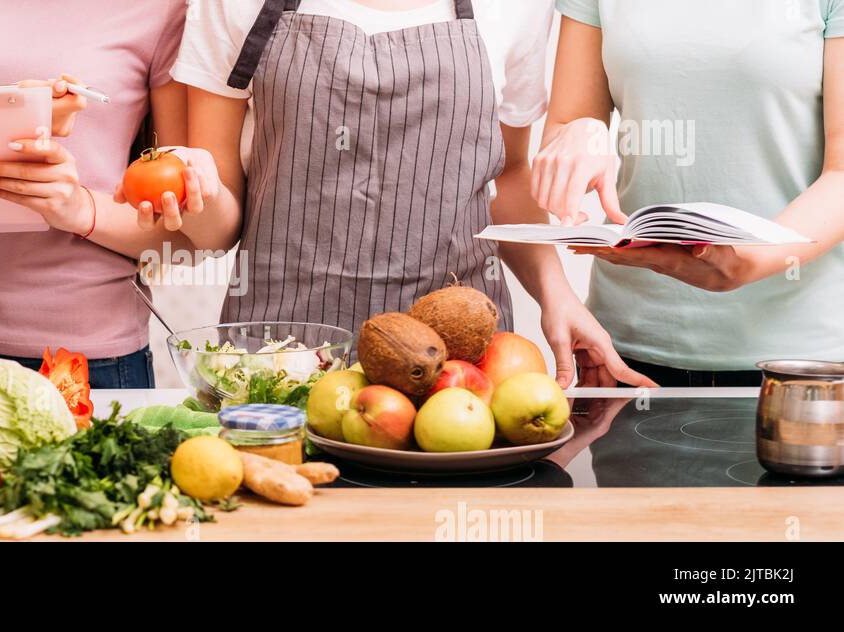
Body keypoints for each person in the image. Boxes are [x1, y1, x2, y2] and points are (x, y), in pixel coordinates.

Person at [138, 0, 653, 388]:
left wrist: (556, 293)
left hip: (455, 369)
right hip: (280, 362)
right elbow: (218, 226)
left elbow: (509, 176)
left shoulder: (512, 6)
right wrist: (191, 193)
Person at [0, 0, 214, 388]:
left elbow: (185, 239)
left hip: (88, 362)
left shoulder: (166, 9)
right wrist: (12, 121)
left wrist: (77, 208)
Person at [531, 0, 844, 386]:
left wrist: (741, 264)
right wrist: (582, 132)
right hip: (625, 348)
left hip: (803, 361)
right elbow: (567, 121)